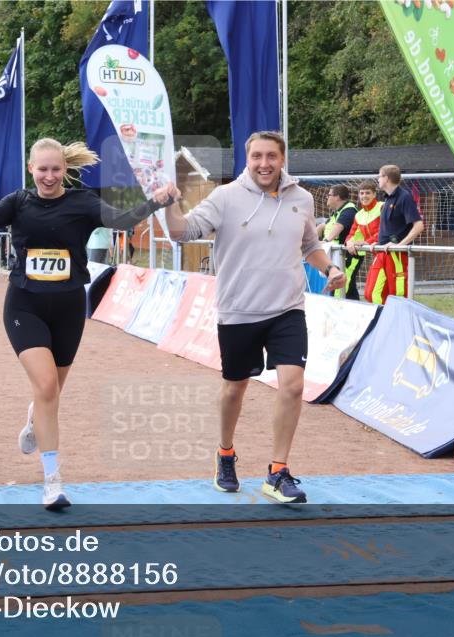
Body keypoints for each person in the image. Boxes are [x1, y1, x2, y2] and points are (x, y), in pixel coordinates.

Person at [0, 139, 174, 510]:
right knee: (47, 385)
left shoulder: (83, 202)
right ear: (31, 169)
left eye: (55, 170)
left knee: (50, 392)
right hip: (24, 305)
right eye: (42, 169)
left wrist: (156, 201)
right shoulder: (19, 202)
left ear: (64, 169)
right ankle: (52, 481)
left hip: (68, 308)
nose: (49, 177)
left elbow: (120, 220)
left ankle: (35, 417)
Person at [163, 130, 345, 504]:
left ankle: (278, 471)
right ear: (247, 160)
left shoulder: (302, 198)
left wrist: (329, 268)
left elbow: (309, 245)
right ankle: (225, 453)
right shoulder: (225, 197)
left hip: (287, 308)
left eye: (271, 156)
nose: (264, 164)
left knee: (292, 385)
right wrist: (170, 204)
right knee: (235, 388)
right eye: (256, 156)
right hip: (239, 310)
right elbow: (183, 232)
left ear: (283, 159)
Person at [363, 165, 425, 304]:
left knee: (398, 295)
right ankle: (383, 316)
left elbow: (419, 226)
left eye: (379, 176)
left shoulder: (404, 197)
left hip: (397, 255)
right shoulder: (387, 199)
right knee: (370, 293)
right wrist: (377, 242)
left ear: (386, 178)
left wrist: (399, 245)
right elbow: (388, 228)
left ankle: (395, 317)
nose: (378, 179)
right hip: (382, 252)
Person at [344, 180, 383, 302]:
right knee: (369, 294)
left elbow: (385, 231)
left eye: (367, 193)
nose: (364, 196)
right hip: (378, 255)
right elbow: (352, 234)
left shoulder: (382, 207)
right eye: (361, 193)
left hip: (391, 253)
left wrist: (367, 242)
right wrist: (349, 242)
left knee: (376, 293)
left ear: (374, 194)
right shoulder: (359, 215)